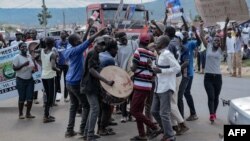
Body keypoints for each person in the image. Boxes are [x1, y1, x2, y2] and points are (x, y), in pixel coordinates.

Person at [81, 34, 114, 141]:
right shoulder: (93, 53)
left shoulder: (95, 53)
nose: (101, 47)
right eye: (99, 44)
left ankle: (87, 133)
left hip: (91, 85)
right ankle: (89, 135)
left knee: (93, 109)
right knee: (95, 109)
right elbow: (91, 70)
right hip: (89, 85)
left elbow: (96, 68)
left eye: (103, 45)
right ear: (95, 44)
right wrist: (105, 80)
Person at [130, 33, 160, 141]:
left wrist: (131, 67)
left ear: (139, 41)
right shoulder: (152, 54)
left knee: (134, 111)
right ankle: (142, 135)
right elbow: (154, 72)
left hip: (139, 86)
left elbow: (133, 69)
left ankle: (154, 127)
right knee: (139, 110)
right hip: (148, 86)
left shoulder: (138, 51)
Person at [151, 35, 181, 141]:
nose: (156, 41)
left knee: (164, 113)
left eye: (158, 40)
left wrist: (162, 71)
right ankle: (166, 130)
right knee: (154, 111)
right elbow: (159, 68)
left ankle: (170, 136)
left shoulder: (167, 54)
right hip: (158, 87)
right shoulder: (159, 54)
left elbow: (177, 68)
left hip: (166, 87)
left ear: (163, 43)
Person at [200, 18, 229, 123]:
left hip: (218, 78)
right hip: (208, 77)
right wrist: (200, 27)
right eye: (215, 40)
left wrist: (225, 25)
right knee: (211, 96)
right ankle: (211, 114)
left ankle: (214, 112)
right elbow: (202, 36)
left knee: (216, 97)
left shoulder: (221, 50)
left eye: (218, 40)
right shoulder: (208, 46)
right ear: (212, 41)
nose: (217, 41)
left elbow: (224, 37)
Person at [178, 26, 201, 121]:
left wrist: (196, 32)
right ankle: (192, 113)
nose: (186, 35)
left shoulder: (190, 43)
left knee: (185, 93)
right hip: (181, 73)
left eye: (187, 34)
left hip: (188, 73)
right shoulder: (178, 45)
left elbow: (199, 42)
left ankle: (192, 114)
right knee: (186, 93)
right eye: (184, 34)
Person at [115, 32, 138, 122]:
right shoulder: (117, 47)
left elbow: (137, 55)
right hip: (122, 74)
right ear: (119, 40)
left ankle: (131, 115)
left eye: (125, 38)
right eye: (122, 39)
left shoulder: (133, 43)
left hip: (132, 73)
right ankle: (124, 115)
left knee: (132, 96)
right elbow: (116, 61)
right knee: (123, 96)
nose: (125, 41)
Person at [98, 36, 118, 136]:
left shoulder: (101, 54)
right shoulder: (110, 59)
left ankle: (102, 125)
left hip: (96, 85)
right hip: (104, 86)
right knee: (106, 108)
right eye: (116, 50)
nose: (117, 52)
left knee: (101, 107)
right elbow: (111, 76)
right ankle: (102, 129)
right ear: (112, 49)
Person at [13, 42, 36, 119]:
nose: (24, 48)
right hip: (20, 80)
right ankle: (20, 114)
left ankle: (28, 113)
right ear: (19, 48)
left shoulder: (29, 56)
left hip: (30, 80)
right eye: (22, 47)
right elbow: (14, 68)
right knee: (22, 97)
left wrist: (32, 70)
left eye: (25, 47)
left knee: (30, 98)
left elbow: (31, 66)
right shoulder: (17, 57)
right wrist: (23, 65)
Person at [40, 37, 60, 123]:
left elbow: (37, 57)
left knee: (47, 95)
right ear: (52, 44)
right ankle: (46, 116)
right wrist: (58, 70)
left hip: (44, 76)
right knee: (50, 97)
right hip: (50, 77)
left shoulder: (42, 51)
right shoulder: (52, 54)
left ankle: (47, 114)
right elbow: (53, 67)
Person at [55, 30, 70, 102]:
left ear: (66, 34)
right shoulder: (57, 42)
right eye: (60, 33)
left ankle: (65, 97)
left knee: (66, 81)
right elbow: (54, 50)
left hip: (66, 65)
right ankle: (58, 96)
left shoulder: (69, 42)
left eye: (63, 33)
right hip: (58, 64)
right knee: (57, 81)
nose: (61, 35)